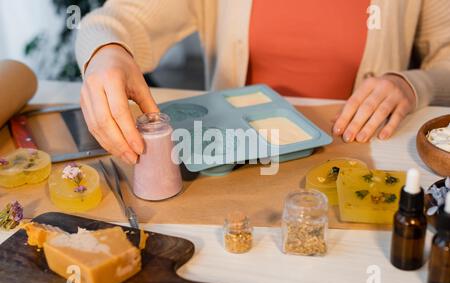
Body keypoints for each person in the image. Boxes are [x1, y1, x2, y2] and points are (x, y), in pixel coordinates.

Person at [75, 0, 450, 165]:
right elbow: (123, 17)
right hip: (232, 158)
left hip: (359, 154)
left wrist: (414, 83)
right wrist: (107, 50)